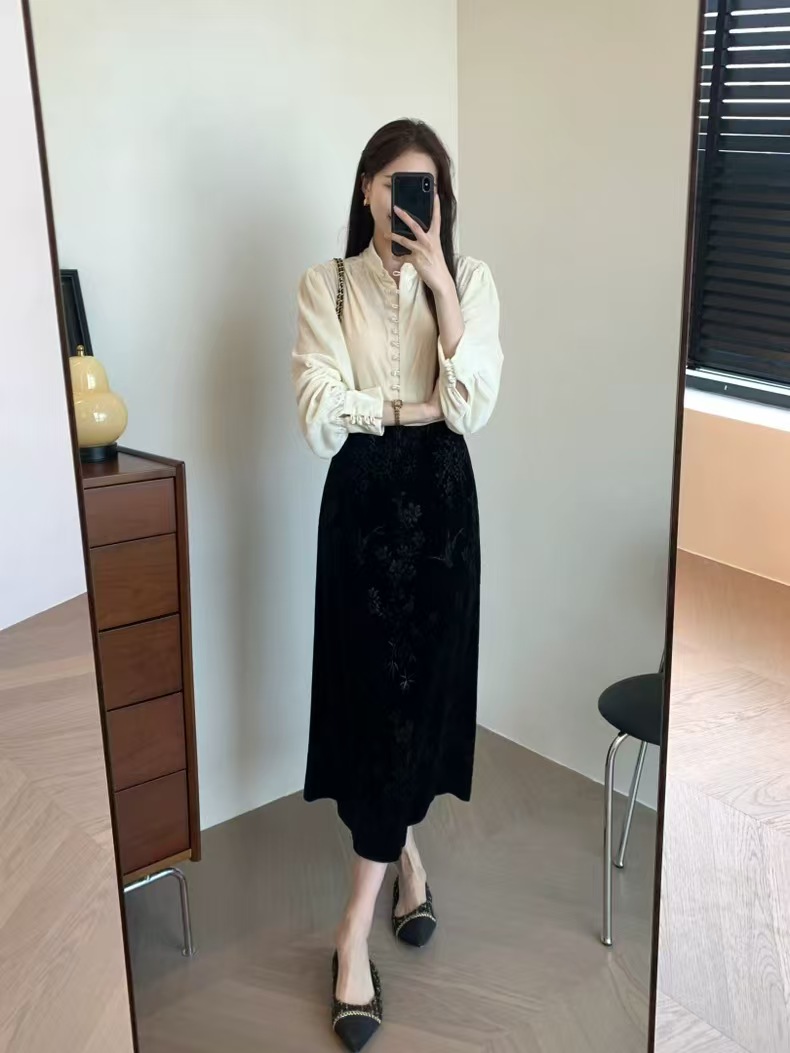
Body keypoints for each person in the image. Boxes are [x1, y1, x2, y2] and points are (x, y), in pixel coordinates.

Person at [292, 117, 503, 1051]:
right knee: (372, 704)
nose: (411, 203)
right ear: (366, 190)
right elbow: (317, 410)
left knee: (417, 706)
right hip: (362, 515)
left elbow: (472, 403)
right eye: (395, 185)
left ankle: (373, 900)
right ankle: (375, 900)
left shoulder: (472, 282)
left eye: (428, 190)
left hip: (444, 518)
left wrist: (441, 287)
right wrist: (407, 407)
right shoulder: (325, 284)